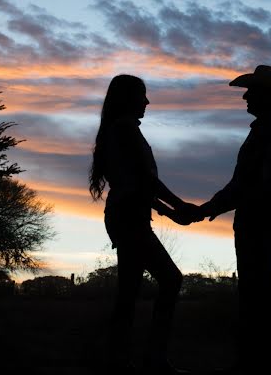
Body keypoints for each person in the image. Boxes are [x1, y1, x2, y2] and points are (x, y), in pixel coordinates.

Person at [88, 74, 199, 374]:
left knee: (129, 291)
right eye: (143, 95)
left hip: (127, 216)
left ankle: (119, 359)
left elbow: (140, 186)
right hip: (129, 218)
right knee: (170, 280)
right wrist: (179, 206)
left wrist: (170, 210)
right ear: (128, 98)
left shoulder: (118, 130)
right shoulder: (124, 130)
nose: (147, 102)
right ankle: (153, 359)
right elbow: (147, 182)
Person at [198, 65, 271, 374]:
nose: (245, 96)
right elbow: (248, 183)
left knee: (255, 293)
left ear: (265, 95)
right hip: (261, 214)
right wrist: (214, 206)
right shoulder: (270, 128)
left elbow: (251, 184)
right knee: (257, 291)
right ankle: (255, 360)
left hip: (260, 216)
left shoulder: (270, 129)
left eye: (251, 90)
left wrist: (209, 207)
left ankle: (254, 362)